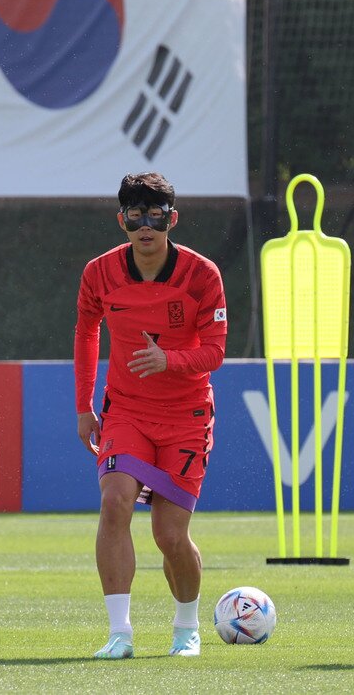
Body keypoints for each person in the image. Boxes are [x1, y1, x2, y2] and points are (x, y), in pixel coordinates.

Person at [74, 172, 228, 659]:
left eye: (155, 216)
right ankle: (119, 634)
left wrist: (169, 361)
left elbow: (215, 351)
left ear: (172, 219)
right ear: (121, 220)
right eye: (135, 216)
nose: (146, 226)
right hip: (126, 411)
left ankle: (186, 629)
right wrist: (83, 406)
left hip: (186, 414)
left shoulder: (202, 275)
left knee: (170, 535)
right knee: (114, 501)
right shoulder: (99, 273)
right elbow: (86, 332)